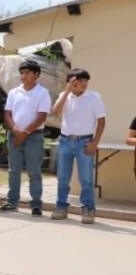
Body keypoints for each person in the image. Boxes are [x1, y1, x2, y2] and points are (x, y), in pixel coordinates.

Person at [50, 69, 106, 223]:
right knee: (62, 177)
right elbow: (55, 112)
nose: (83, 84)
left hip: (85, 142)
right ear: (71, 82)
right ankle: (61, 207)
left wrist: (95, 143)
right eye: (80, 80)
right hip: (65, 141)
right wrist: (67, 91)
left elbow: (101, 121)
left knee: (86, 179)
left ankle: (88, 209)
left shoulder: (94, 97)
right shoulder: (65, 96)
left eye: (85, 81)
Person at [1, 59, 51, 215]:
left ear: (36, 75)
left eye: (27, 72)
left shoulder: (42, 93)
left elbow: (42, 116)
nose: (23, 75)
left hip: (33, 136)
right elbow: (7, 114)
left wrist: (25, 133)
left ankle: (36, 204)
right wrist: (16, 130)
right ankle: (12, 201)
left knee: (34, 171)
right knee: (13, 170)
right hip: (15, 135)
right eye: (22, 73)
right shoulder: (14, 92)